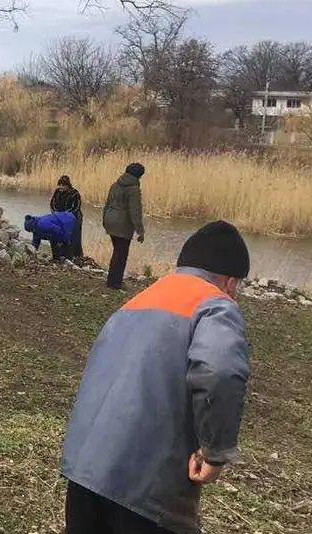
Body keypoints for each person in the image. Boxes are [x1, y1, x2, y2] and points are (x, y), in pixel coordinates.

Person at [61, 220, 251, 534]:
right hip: (142, 487)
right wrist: (214, 452)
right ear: (230, 282)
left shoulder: (137, 302)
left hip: (84, 470)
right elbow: (220, 371)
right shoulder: (215, 305)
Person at [103, 163, 145, 289]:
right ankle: (115, 283)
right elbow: (135, 211)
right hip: (122, 224)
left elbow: (107, 204)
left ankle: (112, 280)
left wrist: (104, 220)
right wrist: (140, 230)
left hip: (110, 220)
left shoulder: (115, 184)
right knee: (121, 254)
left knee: (117, 252)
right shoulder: (134, 189)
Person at [50, 175, 83, 258]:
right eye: (60, 185)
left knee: (74, 236)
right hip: (59, 216)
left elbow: (75, 207)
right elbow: (52, 203)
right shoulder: (57, 192)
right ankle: (61, 254)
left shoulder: (74, 193)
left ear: (68, 185)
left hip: (73, 217)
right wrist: (55, 212)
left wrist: (64, 214)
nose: (61, 187)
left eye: (63, 185)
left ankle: (76, 255)